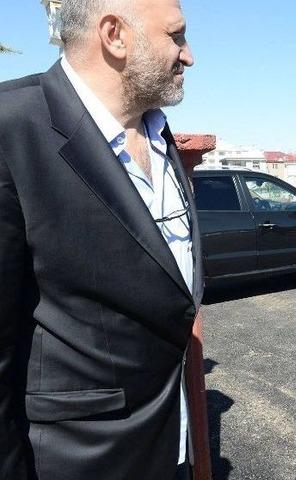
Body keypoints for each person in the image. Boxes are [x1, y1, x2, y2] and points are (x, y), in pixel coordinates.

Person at [0, 0, 199, 478]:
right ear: (115, 35)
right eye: (176, 35)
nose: (189, 54)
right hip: (75, 459)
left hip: (170, 444)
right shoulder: (12, 126)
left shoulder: (156, 132)